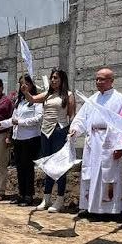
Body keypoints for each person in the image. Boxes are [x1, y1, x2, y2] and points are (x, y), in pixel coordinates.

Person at [70, 67, 122, 219]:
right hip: (92, 142)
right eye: (96, 79)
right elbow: (81, 118)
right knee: (89, 173)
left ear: (111, 81)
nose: (98, 82)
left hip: (109, 142)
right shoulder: (92, 99)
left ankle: (110, 210)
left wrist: (120, 146)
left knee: (109, 174)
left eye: (102, 79)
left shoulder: (120, 99)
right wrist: (75, 130)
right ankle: (89, 207)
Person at [28, 69, 76, 213]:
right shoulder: (47, 94)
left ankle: (60, 199)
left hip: (59, 131)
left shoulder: (68, 95)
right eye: (52, 78)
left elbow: (72, 115)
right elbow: (32, 99)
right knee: (47, 165)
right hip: (45, 131)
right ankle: (47, 198)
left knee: (59, 166)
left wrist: (71, 131)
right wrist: (25, 92)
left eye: (56, 78)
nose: (53, 80)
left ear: (62, 80)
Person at [0, 75, 44, 206]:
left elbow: (38, 119)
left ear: (31, 85)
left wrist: (20, 122)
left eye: (25, 84)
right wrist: (0, 124)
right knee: (19, 167)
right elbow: (13, 119)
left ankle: (29, 195)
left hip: (30, 139)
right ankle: (21, 193)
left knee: (28, 168)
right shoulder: (20, 101)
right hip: (18, 138)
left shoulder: (37, 100)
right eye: (21, 84)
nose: (23, 86)